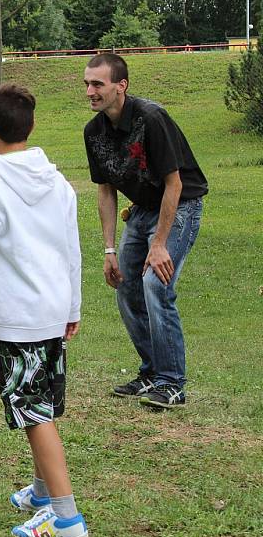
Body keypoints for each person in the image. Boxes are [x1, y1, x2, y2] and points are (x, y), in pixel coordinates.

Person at [0, 84, 87, 537]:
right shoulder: (58, 181)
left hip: (17, 318)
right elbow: (73, 249)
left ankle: (65, 518)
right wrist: (72, 307)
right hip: (50, 313)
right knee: (41, 405)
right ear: (31, 127)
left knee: (34, 413)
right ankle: (43, 494)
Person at [83, 54, 207, 409]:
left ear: (121, 86)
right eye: (87, 84)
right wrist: (109, 250)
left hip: (180, 206)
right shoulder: (93, 132)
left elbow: (175, 183)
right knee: (126, 285)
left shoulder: (151, 118)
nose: (90, 91)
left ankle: (173, 383)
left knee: (156, 284)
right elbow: (105, 189)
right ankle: (152, 372)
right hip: (141, 211)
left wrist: (160, 244)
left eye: (98, 84)